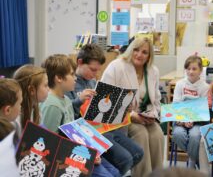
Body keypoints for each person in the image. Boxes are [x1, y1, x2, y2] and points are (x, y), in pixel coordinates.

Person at [65, 44, 144, 176]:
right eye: (92, 69)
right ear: (79, 62)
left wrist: (122, 107)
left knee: (138, 153)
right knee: (125, 159)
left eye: (97, 71)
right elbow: (67, 114)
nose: (95, 74)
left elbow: (101, 107)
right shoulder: (70, 83)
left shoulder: (92, 81)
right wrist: (79, 101)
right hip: (85, 132)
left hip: (102, 127)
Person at [41, 54, 120, 177]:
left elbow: (73, 133)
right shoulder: (52, 106)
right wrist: (85, 156)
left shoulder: (66, 99)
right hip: (65, 157)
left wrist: (92, 152)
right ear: (59, 78)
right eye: (72, 74)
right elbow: (50, 144)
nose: (75, 78)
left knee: (115, 172)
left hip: (76, 151)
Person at [101, 37, 164, 177]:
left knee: (158, 134)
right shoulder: (116, 66)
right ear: (130, 49)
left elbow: (157, 100)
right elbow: (103, 102)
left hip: (144, 117)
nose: (139, 55)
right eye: (136, 50)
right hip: (120, 118)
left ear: (149, 56)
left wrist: (154, 114)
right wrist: (129, 115)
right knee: (141, 133)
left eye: (144, 52)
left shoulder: (153, 71)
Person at [172, 55, 209, 169]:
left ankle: (191, 163)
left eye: (194, 69)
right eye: (188, 69)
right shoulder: (180, 84)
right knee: (178, 134)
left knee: (195, 135)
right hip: (180, 119)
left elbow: (203, 109)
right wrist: (184, 121)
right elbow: (176, 105)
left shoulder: (205, 87)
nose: (190, 71)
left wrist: (192, 119)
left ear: (200, 70)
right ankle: (197, 159)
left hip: (197, 121)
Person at [13, 65, 49, 132]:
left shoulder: (36, 110)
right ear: (32, 90)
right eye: (46, 85)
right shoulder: (15, 119)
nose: (48, 89)